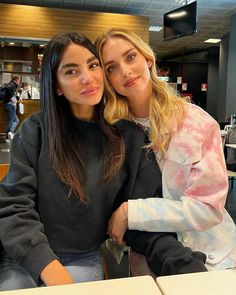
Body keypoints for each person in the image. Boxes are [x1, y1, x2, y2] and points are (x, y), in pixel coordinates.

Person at [0, 32, 207, 291]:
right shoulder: (35, 131)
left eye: (93, 65)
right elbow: (13, 207)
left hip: (82, 257)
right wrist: (52, 271)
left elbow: (141, 221)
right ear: (56, 85)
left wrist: (183, 263)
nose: (88, 78)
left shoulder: (128, 137)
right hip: (24, 256)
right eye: (71, 71)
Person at [95, 27, 236, 271]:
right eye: (112, 68)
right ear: (107, 79)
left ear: (147, 58)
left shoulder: (197, 122)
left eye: (130, 57)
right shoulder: (109, 132)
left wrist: (132, 211)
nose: (125, 71)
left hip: (212, 254)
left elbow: (208, 209)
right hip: (145, 257)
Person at [2, 74, 21, 141]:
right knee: (11, 120)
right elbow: (10, 94)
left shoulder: (10, 84)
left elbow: (12, 95)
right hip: (10, 105)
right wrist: (11, 99)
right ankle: (8, 135)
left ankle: (10, 133)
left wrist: (18, 97)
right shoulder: (12, 85)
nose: (19, 81)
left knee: (16, 120)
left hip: (9, 105)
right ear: (17, 79)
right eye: (19, 80)